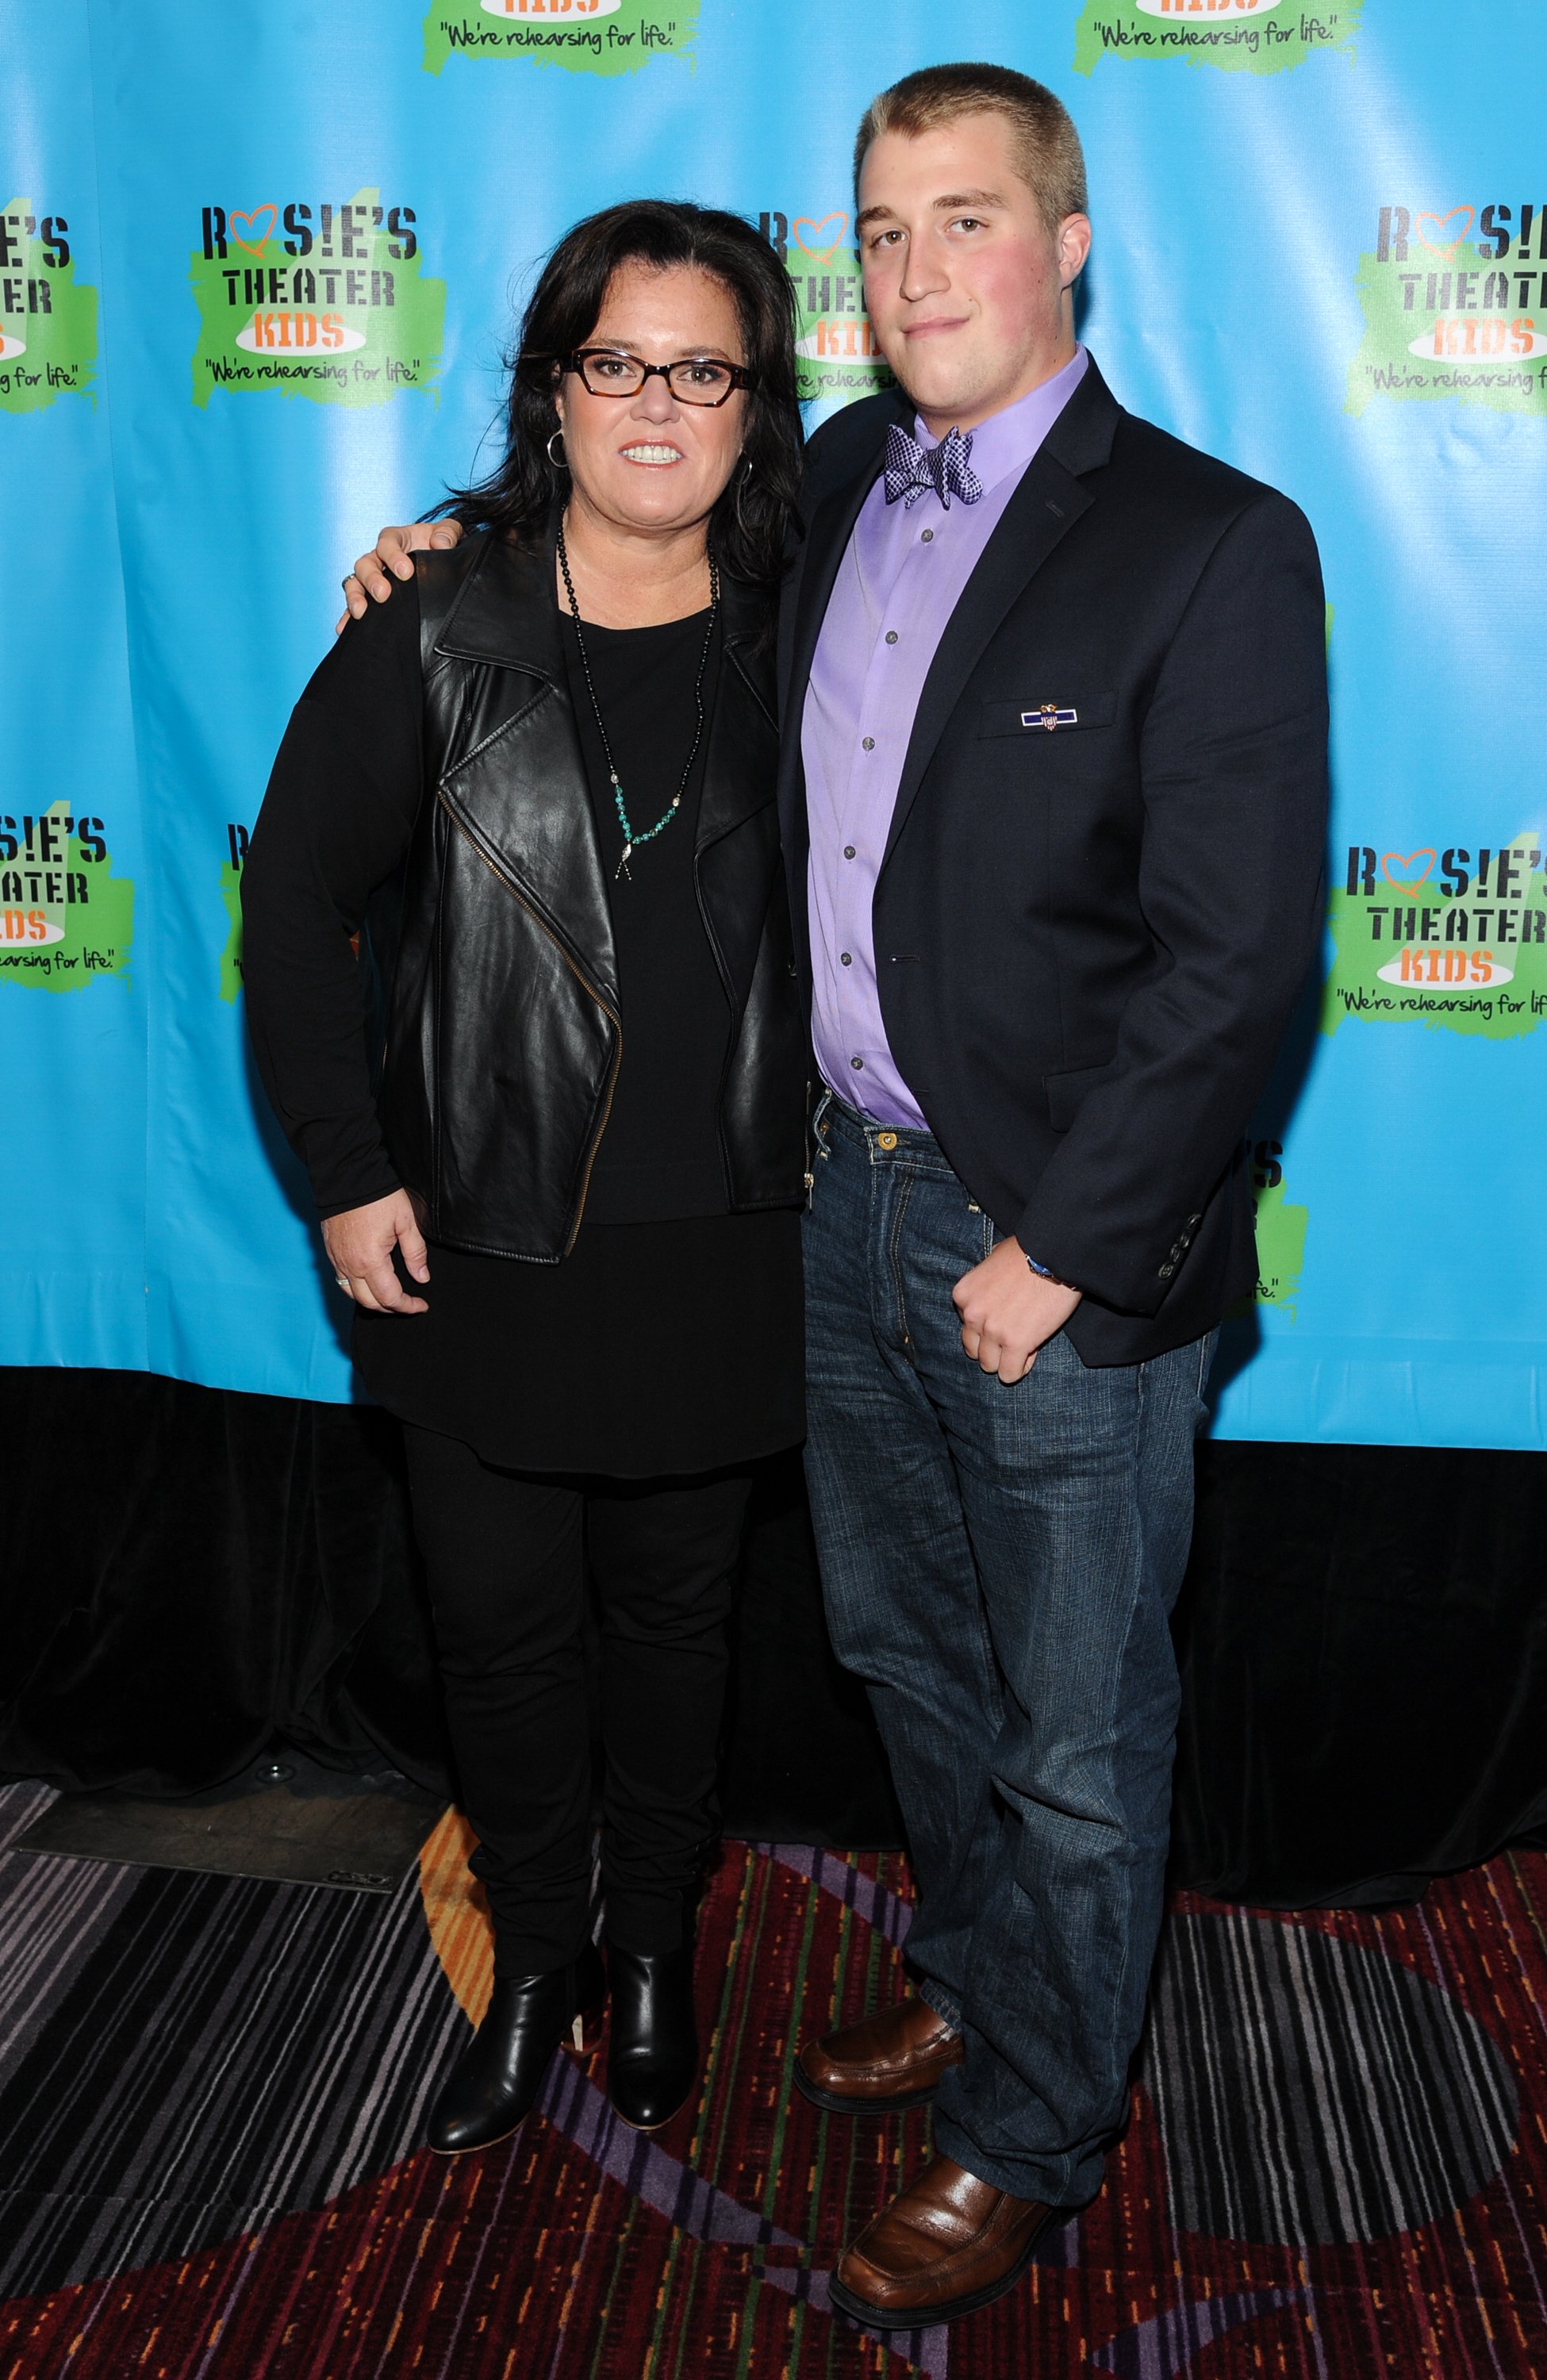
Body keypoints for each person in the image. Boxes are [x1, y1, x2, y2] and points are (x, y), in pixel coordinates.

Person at [347, 60, 1329, 2332]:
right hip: (822, 1212)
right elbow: (619, 500)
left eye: (964, 222)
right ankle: (984, 1980)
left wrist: (1065, 1252)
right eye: (879, 233)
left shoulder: (1208, 540)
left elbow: (1234, 962)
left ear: (1066, 241)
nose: (914, 274)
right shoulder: (835, 480)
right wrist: (440, 555)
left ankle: (1029, 2133)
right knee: (904, 1654)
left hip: (1053, 1249)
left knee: (1079, 1734)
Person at [242, 199, 808, 2156]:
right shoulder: (435, 619)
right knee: (500, 1635)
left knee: (676, 1628)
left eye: (701, 368)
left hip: (730, 1238)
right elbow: (294, 896)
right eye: (614, 362)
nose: (656, 403)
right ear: (551, 388)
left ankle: (653, 1943)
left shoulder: (819, 615)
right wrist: (341, 1171)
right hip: (478, 1240)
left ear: (755, 402)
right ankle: (538, 1954)